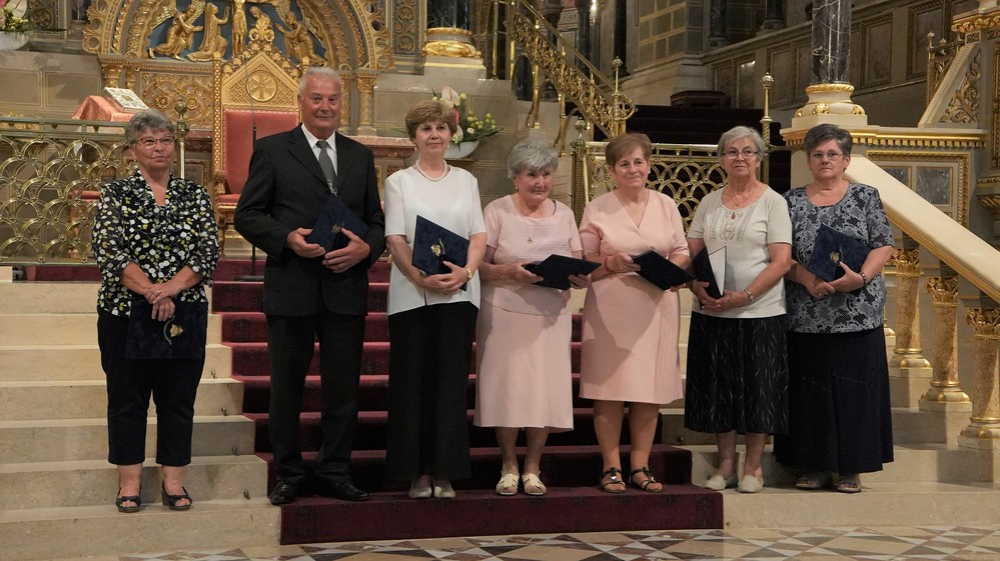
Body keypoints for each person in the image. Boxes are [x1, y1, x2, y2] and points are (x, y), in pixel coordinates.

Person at [233, 67, 385, 505]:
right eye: (317, 98)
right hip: (292, 285)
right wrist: (287, 239)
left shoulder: (360, 155)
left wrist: (366, 250)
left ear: (342, 104)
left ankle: (335, 470)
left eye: (333, 99)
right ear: (300, 102)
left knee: (343, 389)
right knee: (287, 388)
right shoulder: (273, 150)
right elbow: (248, 215)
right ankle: (289, 473)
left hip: (344, 287)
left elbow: (376, 220)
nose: (325, 107)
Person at [93, 109, 219, 512]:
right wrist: (152, 291)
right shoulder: (116, 193)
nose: (158, 148)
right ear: (133, 150)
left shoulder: (194, 194)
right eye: (148, 141)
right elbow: (109, 250)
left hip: (185, 311)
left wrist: (171, 289)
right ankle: (129, 483)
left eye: (165, 140)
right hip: (124, 311)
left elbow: (208, 250)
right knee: (127, 399)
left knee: (178, 399)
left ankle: (173, 481)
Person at [773, 123, 895, 493]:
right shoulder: (789, 201)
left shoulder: (865, 196)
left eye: (832, 154)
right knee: (809, 393)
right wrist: (806, 279)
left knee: (855, 392)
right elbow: (779, 254)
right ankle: (810, 466)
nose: (825, 160)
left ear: (846, 160)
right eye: (817, 154)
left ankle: (850, 468)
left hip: (858, 312)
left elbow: (884, 244)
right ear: (808, 160)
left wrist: (861, 278)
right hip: (806, 311)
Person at [383, 100, 487, 500]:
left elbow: (478, 234)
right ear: (414, 136)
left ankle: (444, 472)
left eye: (441, 127)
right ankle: (415, 473)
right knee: (411, 385)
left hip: (460, 294)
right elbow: (395, 238)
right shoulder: (399, 181)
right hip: (413, 296)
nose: (434, 135)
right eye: (426, 128)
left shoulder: (466, 180)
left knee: (450, 386)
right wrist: (418, 277)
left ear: (450, 134)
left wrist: (467, 272)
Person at [474, 138, 588, 496]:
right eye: (531, 175)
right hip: (504, 312)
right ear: (515, 177)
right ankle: (509, 464)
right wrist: (508, 271)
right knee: (507, 390)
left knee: (543, 391)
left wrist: (580, 276)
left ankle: (533, 467)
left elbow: (578, 262)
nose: (540, 182)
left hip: (550, 315)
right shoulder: (497, 211)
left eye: (546, 174)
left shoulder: (565, 213)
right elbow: (477, 265)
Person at [578, 132, 690, 493]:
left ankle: (641, 466)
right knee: (610, 389)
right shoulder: (597, 208)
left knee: (647, 390)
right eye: (624, 164)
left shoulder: (665, 204)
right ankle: (611, 467)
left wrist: (673, 270)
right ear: (612, 170)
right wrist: (610, 262)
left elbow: (681, 249)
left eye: (638, 162)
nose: (632, 169)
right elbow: (584, 260)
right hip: (611, 307)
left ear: (649, 166)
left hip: (656, 304)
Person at [683, 126, 792, 494]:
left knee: (759, 390)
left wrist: (745, 296)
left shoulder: (773, 202)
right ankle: (726, 465)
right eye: (732, 151)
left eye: (748, 151)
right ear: (721, 160)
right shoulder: (709, 202)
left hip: (759, 312)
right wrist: (696, 285)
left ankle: (753, 468)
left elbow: (781, 261)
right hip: (712, 311)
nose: (740, 157)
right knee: (720, 391)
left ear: (759, 159)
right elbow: (693, 250)